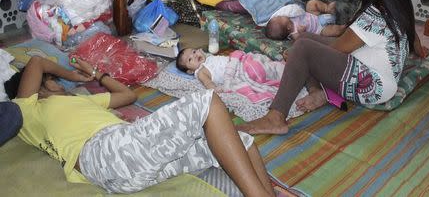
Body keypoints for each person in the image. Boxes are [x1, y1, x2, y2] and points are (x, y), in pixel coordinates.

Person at [12, 56, 275, 196]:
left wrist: (95, 74)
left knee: (240, 141)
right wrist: (69, 73)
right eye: (52, 79)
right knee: (207, 102)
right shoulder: (28, 108)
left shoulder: (81, 102)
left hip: (127, 166)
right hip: (105, 154)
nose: (60, 84)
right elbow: (36, 61)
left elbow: (128, 96)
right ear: (43, 84)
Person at [238, 0, 427, 135]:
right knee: (304, 40)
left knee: (303, 48)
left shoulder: (374, 16)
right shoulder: (396, 2)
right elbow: (413, 37)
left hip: (373, 86)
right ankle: (319, 92)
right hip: (376, 73)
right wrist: (419, 50)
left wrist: (298, 55)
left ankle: (275, 118)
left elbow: (338, 48)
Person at [265, 0, 345, 40]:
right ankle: (344, 27)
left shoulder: (290, 16)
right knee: (334, 31)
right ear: (288, 27)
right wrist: (302, 32)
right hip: (318, 29)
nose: (280, 15)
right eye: (280, 18)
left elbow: (298, 10)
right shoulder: (294, 33)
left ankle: (327, 8)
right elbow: (301, 40)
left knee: (311, 3)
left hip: (314, 16)